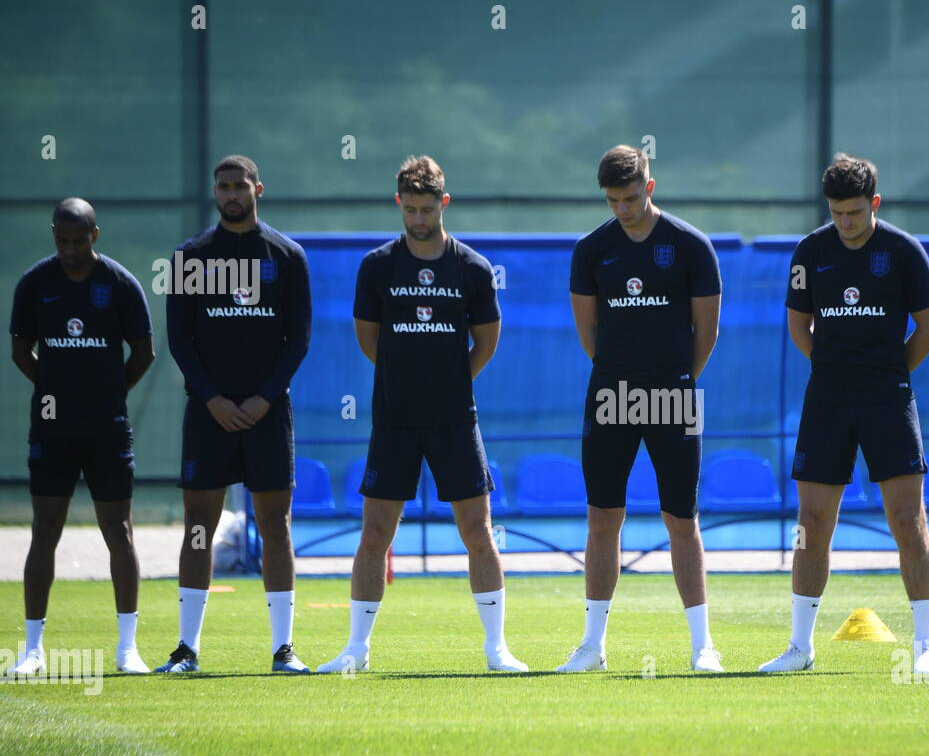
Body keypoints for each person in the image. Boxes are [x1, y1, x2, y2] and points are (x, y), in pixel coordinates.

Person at [316, 155, 526, 674]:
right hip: (394, 420)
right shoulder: (378, 266)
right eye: (409, 209)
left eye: (426, 209)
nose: (417, 219)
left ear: (443, 204)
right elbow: (370, 339)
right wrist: (405, 380)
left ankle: (497, 649)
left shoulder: (472, 268)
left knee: (478, 531)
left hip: (456, 418)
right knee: (375, 533)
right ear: (399, 204)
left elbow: (487, 342)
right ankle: (356, 650)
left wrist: (448, 382)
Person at [759, 154, 929, 675]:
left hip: (889, 400)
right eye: (838, 213)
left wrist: (889, 374)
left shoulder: (904, 251)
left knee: (908, 522)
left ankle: (927, 647)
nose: (846, 223)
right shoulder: (810, 251)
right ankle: (799, 648)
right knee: (812, 524)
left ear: (875, 204)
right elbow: (800, 325)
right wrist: (833, 369)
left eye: (856, 213)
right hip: (828, 402)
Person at [556, 144, 723, 673]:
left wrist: (672, 382)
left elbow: (707, 332)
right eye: (611, 201)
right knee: (603, 517)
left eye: (629, 198)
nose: (621, 210)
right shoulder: (591, 250)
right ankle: (592, 647)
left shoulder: (692, 246)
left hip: (674, 395)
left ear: (649, 187)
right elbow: (589, 333)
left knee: (681, 519)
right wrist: (623, 377)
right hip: (609, 395)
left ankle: (702, 648)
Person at [156, 155, 312, 674]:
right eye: (222, 186)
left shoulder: (287, 256)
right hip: (209, 414)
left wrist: (264, 398)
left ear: (257, 189)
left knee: (275, 524)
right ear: (215, 192)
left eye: (238, 185)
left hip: (269, 412)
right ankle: (186, 649)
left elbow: (299, 339)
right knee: (199, 526)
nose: (230, 194)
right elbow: (180, 339)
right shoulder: (190, 257)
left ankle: (283, 650)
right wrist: (213, 399)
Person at [8, 199, 154, 675]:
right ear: (54, 235)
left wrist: (110, 393)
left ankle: (127, 648)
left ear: (95, 235)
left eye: (78, 239)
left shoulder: (119, 284)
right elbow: (20, 349)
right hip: (52, 427)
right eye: (61, 239)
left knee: (120, 531)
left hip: (106, 427)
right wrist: (54, 391)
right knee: (44, 530)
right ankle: (32, 650)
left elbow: (144, 352)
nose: (69, 248)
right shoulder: (35, 283)